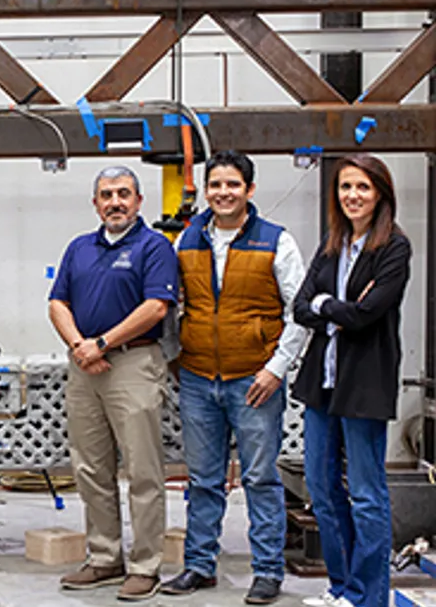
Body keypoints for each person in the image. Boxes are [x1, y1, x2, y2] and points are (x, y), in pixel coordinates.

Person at [163, 151, 307, 605]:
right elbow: (168, 305)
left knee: (261, 478)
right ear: (206, 190)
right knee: (203, 480)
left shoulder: (276, 242)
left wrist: (274, 369)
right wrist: (175, 361)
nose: (223, 193)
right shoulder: (186, 241)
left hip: (255, 381)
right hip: (198, 379)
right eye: (215, 185)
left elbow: (299, 312)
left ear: (249, 189)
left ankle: (267, 571)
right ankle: (199, 565)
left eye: (233, 185)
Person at [49, 165, 177, 602]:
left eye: (124, 194)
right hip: (84, 368)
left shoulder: (154, 246)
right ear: (96, 203)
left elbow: (157, 307)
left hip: (133, 364)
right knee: (90, 468)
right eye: (106, 195)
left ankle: (145, 566)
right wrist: (80, 346)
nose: (115, 202)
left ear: (139, 201)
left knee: (143, 470)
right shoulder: (79, 248)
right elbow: (57, 302)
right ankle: (104, 558)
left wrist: (102, 343)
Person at [293, 154, 410, 607]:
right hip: (322, 384)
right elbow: (300, 307)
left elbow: (366, 315)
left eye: (362, 187)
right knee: (321, 489)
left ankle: (370, 597)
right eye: (345, 187)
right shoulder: (331, 244)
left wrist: (326, 306)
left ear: (379, 192)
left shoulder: (394, 248)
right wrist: (330, 309)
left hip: (364, 384)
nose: (352, 196)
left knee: (365, 495)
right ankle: (340, 587)